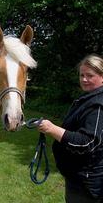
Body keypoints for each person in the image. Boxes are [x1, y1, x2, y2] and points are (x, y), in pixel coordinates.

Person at [38, 54, 103, 203]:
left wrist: (51, 129)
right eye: (82, 75)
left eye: (90, 75)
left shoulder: (98, 106)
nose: (84, 79)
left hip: (86, 184)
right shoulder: (89, 99)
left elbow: (86, 142)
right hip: (78, 178)